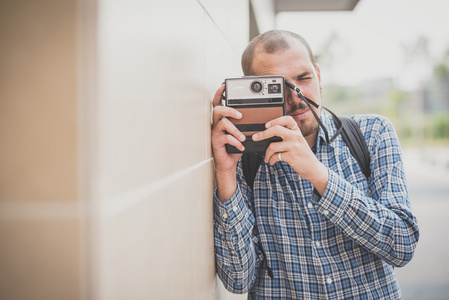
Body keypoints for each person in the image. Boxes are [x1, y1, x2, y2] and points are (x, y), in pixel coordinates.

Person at [211, 30, 419, 299]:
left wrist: (319, 174)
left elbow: (402, 245)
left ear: (319, 76)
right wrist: (225, 175)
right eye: (277, 87)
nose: (296, 96)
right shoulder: (242, 160)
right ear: (255, 94)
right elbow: (238, 280)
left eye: (303, 78)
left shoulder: (372, 133)